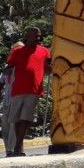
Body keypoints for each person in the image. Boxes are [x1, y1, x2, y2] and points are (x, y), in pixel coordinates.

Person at [6, 27, 51, 157]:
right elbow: (9, 67)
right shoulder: (17, 51)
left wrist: (55, 68)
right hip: (18, 89)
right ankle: (18, 147)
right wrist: (7, 72)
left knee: (26, 119)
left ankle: (17, 146)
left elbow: (48, 68)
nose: (38, 38)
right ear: (27, 36)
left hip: (34, 89)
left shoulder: (44, 51)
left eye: (39, 36)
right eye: (35, 35)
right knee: (17, 119)